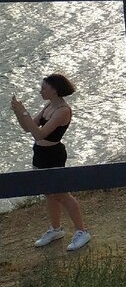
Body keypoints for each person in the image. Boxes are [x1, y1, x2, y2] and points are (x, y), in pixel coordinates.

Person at [10, 73, 92, 251]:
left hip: (53, 154)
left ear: (54, 90)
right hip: (39, 152)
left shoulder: (63, 110)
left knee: (61, 194)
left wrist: (23, 111)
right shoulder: (49, 105)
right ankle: (55, 229)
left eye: (44, 88)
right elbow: (28, 127)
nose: (41, 91)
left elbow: (40, 133)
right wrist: (18, 111)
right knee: (49, 192)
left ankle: (82, 231)